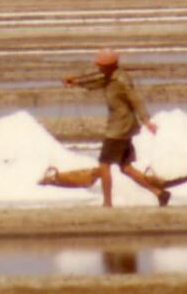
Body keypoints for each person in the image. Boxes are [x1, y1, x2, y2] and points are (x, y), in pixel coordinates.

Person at [63, 48, 169, 208]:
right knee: (126, 168)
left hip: (118, 128)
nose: (98, 68)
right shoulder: (109, 77)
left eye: (100, 65)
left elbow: (136, 100)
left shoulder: (121, 80)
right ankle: (159, 193)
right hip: (123, 127)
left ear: (108, 66)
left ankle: (107, 203)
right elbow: (96, 83)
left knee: (104, 165)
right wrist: (76, 83)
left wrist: (147, 121)